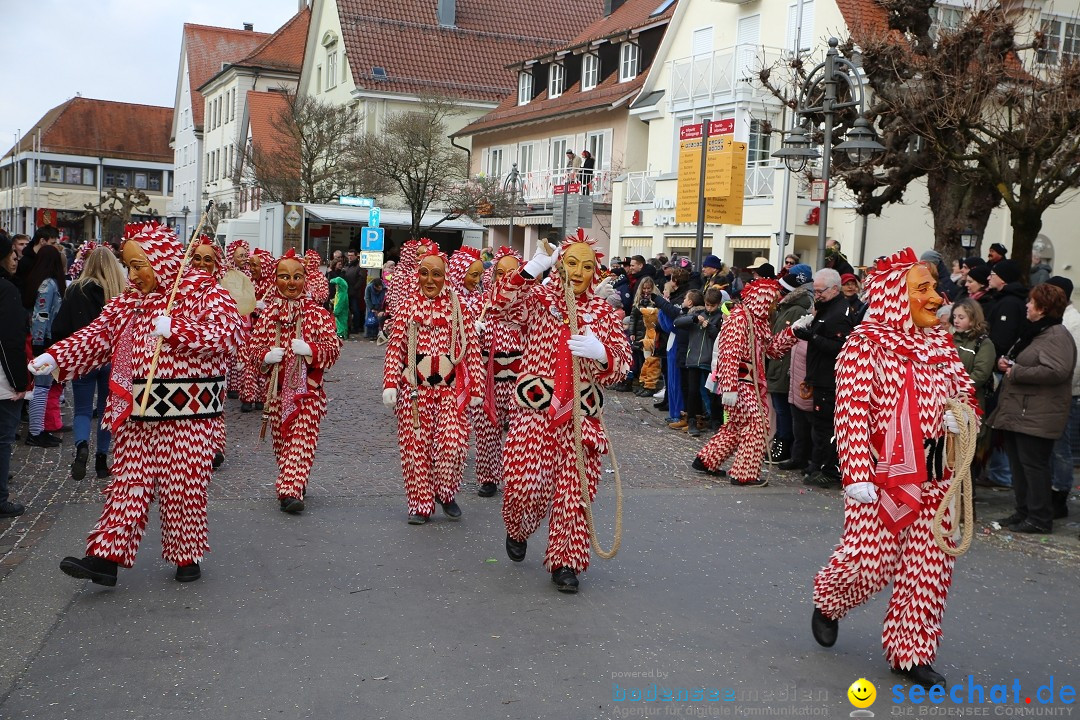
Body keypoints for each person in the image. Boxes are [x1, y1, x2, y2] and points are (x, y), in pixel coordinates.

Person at [35, 222, 242, 586]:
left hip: (187, 414)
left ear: (161, 260)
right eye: (128, 266)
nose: (132, 275)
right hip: (135, 413)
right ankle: (105, 559)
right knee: (128, 484)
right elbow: (97, 336)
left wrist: (178, 330)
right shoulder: (128, 302)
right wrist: (57, 357)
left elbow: (229, 334)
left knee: (182, 489)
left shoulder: (204, 291)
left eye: (139, 265)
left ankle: (186, 555)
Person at [810, 247, 979, 690]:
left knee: (929, 565)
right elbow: (851, 412)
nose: (936, 297)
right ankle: (829, 600)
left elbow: (967, 395)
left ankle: (912, 653)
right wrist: (857, 474)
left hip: (937, 474)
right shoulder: (866, 344)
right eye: (922, 289)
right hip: (882, 473)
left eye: (935, 288)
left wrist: (959, 415)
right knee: (870, 562)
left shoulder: (941, 342)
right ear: (894, 296)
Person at [491, 231, 632, 593]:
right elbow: (500, 306)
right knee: (525, 484)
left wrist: (602, 352)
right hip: (535, 412)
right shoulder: (538, 299)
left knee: (575, 495)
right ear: (560, 265)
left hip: (581, 417)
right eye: (571, 263)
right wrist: (534, 267)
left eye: (588, 266)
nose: (580, 272)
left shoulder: (604, 312)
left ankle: (566, 562)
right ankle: (518, 527)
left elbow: (621, 367)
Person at [382, 245, 482, 525]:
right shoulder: (407, 307)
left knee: (453, 445)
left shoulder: (458, 308)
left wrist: (474, 387)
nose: (429, 280)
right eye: (424, 273)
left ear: (446, 276)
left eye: (435, 274)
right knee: (415, 448)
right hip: (416, 390)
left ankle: (445, 492)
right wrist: (390, 382)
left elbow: (471, 349)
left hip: (451, 389)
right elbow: (395, 349)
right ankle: (420, 504)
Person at [247, 250, 342, 514]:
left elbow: (333, 348)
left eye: (297, 277)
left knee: (301, 440)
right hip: (275, 394)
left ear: (305, 279)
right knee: (282, 444)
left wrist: (310, 349)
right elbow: (253, 351)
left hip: (307, 393)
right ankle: (295, 480)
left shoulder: (317, 314)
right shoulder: (268, 315)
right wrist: (265, 357)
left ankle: (290, 490)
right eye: (285, 277)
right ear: (275, 279)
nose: (291, 283)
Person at [991, 283, 1076, 534]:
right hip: (1021, 412)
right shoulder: (1036, 333)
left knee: (1034, 467)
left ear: (1043, 308)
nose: (1026, 305)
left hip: (1037, 415)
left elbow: (1057, 370)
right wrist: (1006, 362)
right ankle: (1024, 512)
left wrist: (1016, 371)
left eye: (1031, 302)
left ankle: (1039, 518)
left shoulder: (1057, 335)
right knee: (1020, 466)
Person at [694, 279, 787, 485]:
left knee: (736, 426)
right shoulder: (740, 319)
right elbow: (729, 353)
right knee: (756, 424)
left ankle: (707, 460)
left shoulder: (758, 322)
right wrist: (729, 387)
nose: (773, 306)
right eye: (771, 302)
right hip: (740, 382)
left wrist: (794, 332)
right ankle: (744, 473)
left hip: (747, 382)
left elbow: (771, 350)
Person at [51, 247, 126, 480]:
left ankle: (82, 447)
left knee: (82, 410)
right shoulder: (120, 291)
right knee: (106, 410)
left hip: (84, 358)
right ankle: (102, 460)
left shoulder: (75, 289)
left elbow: (60, 326)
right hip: (111, 358)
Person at [793, 268, 856, 487]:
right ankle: (817, 465)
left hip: (829, 380)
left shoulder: (839, 313)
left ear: (835, 289)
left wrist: (813, 337)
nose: (816, 294)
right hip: (819, 377)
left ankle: (828, 470)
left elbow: (841, 348)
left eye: (820, 291)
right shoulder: (828, 307)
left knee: (825, 428)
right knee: (818, 427)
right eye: (815, 290)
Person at [473, 246, 524, 497]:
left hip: (519, 380)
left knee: (519, 431)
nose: (505, 278)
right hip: (488, 379)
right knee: (486, 431)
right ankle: (488, 477)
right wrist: (473, 332)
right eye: (500, 273)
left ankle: (516, 477)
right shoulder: (482, 304)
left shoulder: (528, 308)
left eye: (511, 273)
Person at [765, 263, 814, 463]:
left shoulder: (794, 310)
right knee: (780, 409)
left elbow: (788, 341)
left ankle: (785, 444)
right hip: (779, 365)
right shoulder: (787, 308)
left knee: (784, 410)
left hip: (784, 367)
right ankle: (782, 442)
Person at [23, 244, 67, 448]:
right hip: (44, 340)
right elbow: (41, 315)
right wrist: (40, 344)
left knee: (43, 387)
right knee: (41, 387)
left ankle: (39, 429)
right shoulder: (49, 284)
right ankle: (35, 432)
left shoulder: (41, 282)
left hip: (44, 339)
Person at [1046, 276, 1080, 520]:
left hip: (1066, 391)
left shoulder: (1073, 322)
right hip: (1053, 392)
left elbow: (1073, 363)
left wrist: (1065, 387)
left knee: (1061, 447)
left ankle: (1061, 492)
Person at [0, 235, 28, 517]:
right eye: (10, 252)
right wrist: (20, 381)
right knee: (3, 439)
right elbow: (10, 339)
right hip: (3, 379)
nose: (15, 257)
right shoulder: (6, 290)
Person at [329, 273, 350, 339]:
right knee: (339, 323)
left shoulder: (342, 294)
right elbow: (337, 300)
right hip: (340, 312)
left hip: (341, 312)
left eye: (337, 285)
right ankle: (341, 333)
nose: (336, 286)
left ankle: (342, 334)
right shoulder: (340, 293)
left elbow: (340, 304)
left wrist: (336, 312)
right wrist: (332, 301)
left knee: (341, 323)